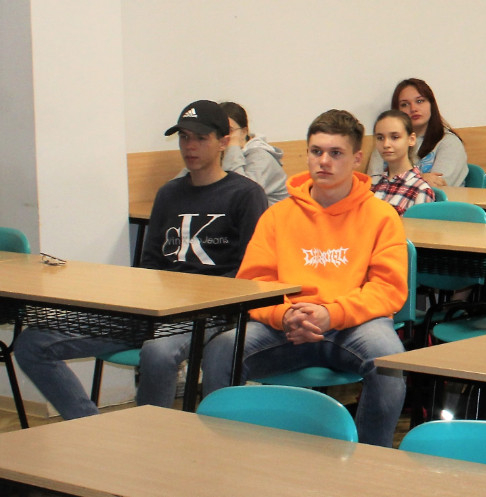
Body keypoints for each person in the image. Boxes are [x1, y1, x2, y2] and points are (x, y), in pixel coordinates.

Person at [14, 100, 267, 420]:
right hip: (153, 309)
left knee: (158, 352)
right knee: (33, 343)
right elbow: (149, 265)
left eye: (201, 138)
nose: (189, 146)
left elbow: (249, 272)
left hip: (209, 313)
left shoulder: (245, 194)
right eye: (184, 137)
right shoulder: (169, 194)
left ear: (223, 142)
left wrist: (196, 299)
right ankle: (89, 425)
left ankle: (150, 436)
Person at [201, 109, 408, 447]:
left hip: (354, 324)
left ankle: (370, 461)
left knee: (388, 360)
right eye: (316, 151)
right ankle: (222, 453)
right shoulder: (277, 216)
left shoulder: (382, 216)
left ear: (357, 159)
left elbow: (387, 290)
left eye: (336, 153)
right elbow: (255, 284)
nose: (324, 161)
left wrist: (331, 314)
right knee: (222, 349)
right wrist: (284, 314)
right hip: (286, 326)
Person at [366, 78, 467, 187]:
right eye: (405, 104)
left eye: (420, 101)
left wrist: (396, 180)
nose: (413, 108)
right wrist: (420, 178)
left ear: (431, 105)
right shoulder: (386, 141)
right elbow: (372, 183)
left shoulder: (449, 142)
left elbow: (437, 186)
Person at [218, 102, 290, 204]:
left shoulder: (261, 156)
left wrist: (233, 147)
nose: (224, 136)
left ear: (244, 132)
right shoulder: (219, 155)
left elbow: (241, 194)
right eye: (219, 131)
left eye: (229, 130)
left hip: (275, 213)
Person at [370, 108, 436, 214]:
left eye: (395, 137)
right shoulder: (371, 183)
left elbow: (421, 225)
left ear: (411, 139)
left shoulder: (421, 190)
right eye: (380, 138)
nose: (386, 144)